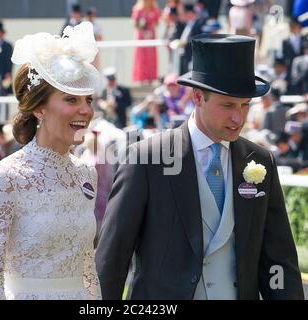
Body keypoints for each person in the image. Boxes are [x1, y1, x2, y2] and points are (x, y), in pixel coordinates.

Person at [95, 34, 304, 300]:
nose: (238, 117)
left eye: (245, 105)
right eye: (227, 105)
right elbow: (112, 260)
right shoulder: (146, 159)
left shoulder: (260, 160)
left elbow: (279, 261)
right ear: (197, 97)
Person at [0, 21, 102, 300]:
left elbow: (87, 267)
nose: (85, 110)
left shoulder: (86, 174)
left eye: (88, 99)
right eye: (71, 99)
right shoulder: (4, 177)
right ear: (39, 109)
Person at [131, 0, 161, 84]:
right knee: (141, 58)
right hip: (141, 36)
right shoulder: (138, 9)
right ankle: (142, 80)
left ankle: (150, 80)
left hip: (151, 36)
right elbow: (134, 23)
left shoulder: (154, 9)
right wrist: (142, 29)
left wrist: (150, 28)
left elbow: (157, 23)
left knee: (151, 58)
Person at [0, 20, 13, 96]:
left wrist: (8, 73)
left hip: (4, 75)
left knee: (4, 93)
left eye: (0, 32)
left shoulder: (7, 45)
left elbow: (9, 60)